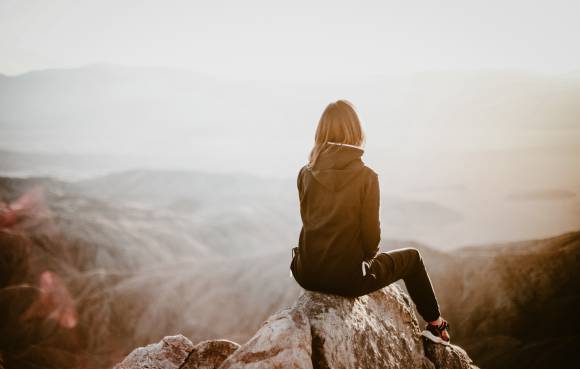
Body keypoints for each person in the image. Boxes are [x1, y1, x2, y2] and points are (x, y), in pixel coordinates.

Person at [289, 99, 450, 344]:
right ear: (356, 132)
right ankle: (436, 325)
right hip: (347, 280)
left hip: (306, 272)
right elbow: (371, 237)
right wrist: (365, 262)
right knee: (413, 259)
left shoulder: (305, 172)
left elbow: (309, 220)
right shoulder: (367, 177)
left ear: (320, 132)